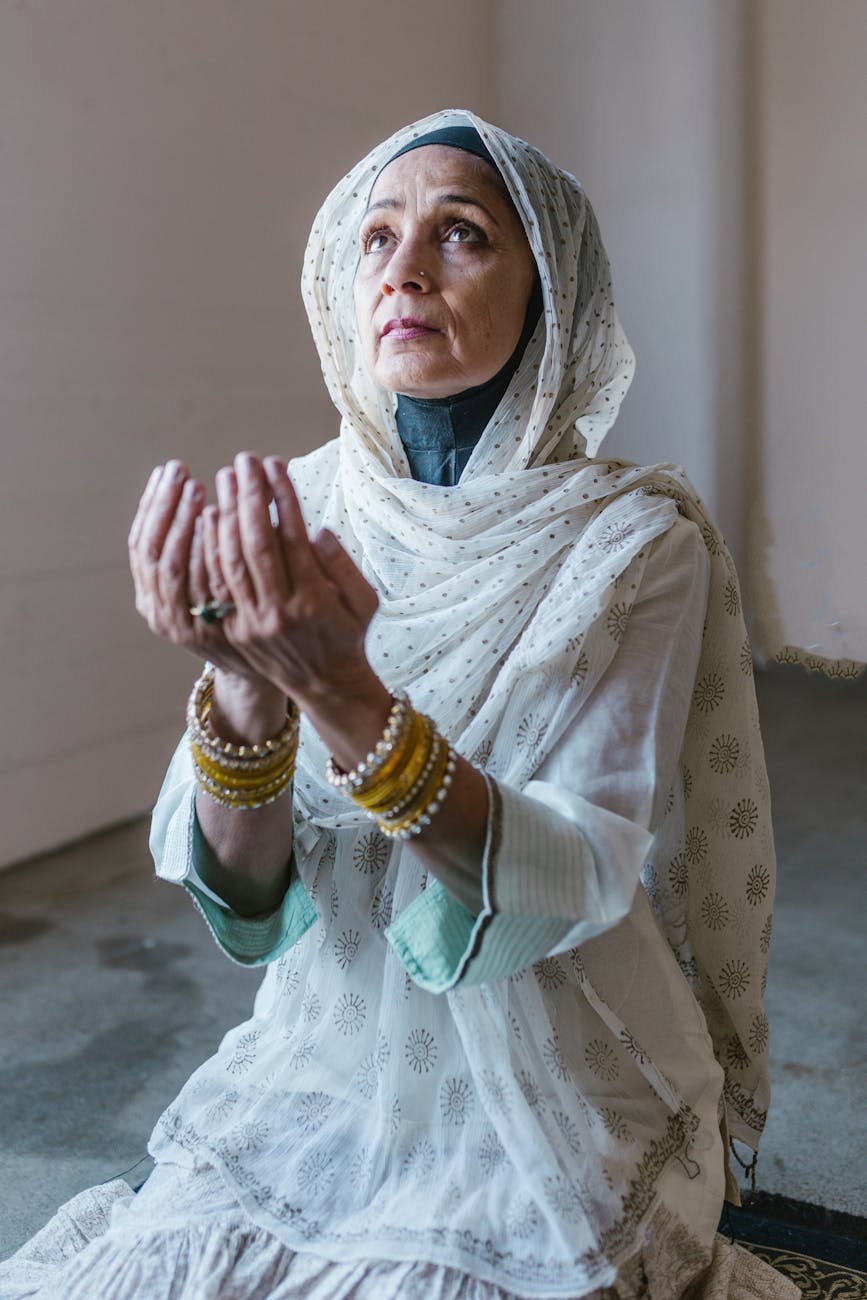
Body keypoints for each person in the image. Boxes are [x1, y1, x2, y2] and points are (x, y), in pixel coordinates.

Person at [0, 110, 799, 1299]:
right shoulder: (302, 511)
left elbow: (571, 871)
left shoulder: (633, 544)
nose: (404, 269)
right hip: (325, 1065)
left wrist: (339, 691)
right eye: (376, 237)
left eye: (460, 233)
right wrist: (244, 685)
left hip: (559, 1074)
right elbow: (249, 908)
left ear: (551, 294)